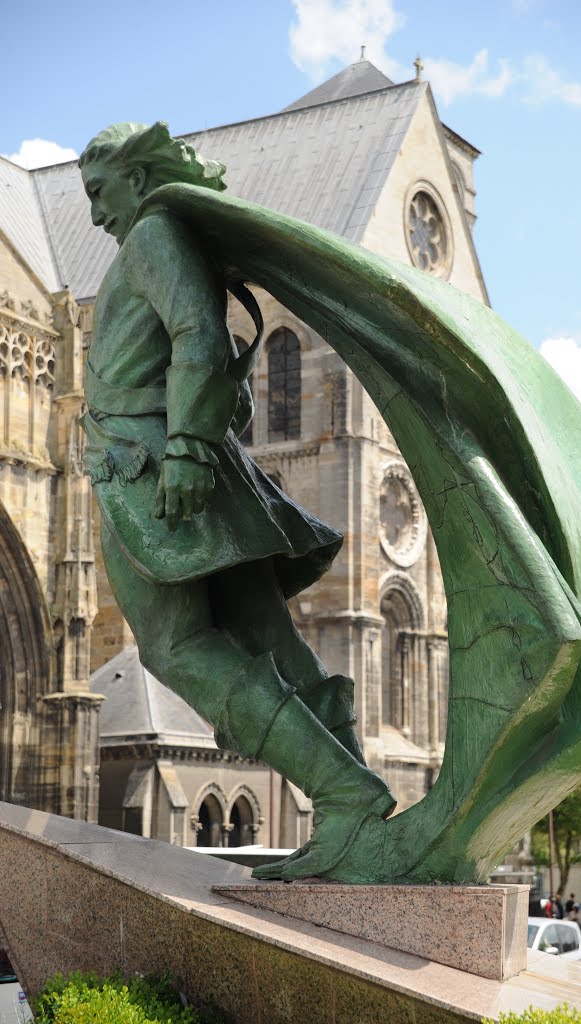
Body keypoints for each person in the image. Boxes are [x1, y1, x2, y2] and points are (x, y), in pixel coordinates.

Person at [78, 121, 396, 881]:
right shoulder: (168, 236)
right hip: (189, 458)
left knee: (176, 645)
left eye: (99, 193)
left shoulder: (154, 232)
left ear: (135, 176)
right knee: (266, 637)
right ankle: (357, 804)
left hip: (157, 465)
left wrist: (186, 446)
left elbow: (196, 329)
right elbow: (208, 349)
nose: (94, 215)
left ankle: (344, 793)